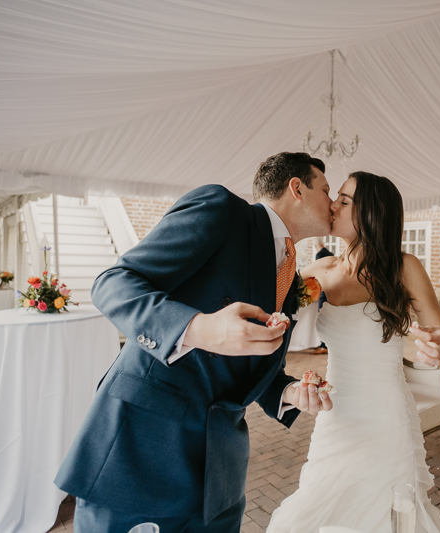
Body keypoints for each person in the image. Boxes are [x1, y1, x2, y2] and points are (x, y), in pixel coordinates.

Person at [55, 152, 335, 533]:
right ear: (296, 188)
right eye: (326, 190)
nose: (333, 203)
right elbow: (114, 284)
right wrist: (200, 328)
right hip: (143, 453)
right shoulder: (223, 210)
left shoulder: (287, 271)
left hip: (218, 474)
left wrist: (288, 392)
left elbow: (252, 362)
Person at [267, 172, 440, 533]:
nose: (332, 204)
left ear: (371, 214)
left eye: (344, 201)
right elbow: (276, 313)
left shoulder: (403, 270)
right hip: (336, 417)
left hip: (385, 421)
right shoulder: (320, 274)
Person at [309, 237, 333, 354]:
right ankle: (325, 344)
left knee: (322, 318)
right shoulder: (330, 254)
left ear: (315, 246)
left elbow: (318, 274)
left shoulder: (320, 255)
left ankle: (324, 345)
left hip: (324, 291)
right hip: (331, 290)